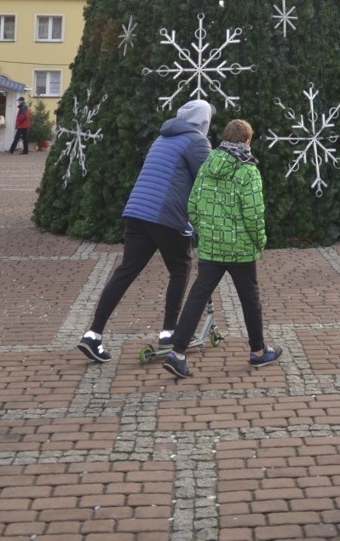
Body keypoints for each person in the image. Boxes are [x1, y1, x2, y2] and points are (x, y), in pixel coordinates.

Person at [77, 99, 212, 363]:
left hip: (137, 212)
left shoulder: (161, 139)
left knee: (126, 271)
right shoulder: (197, 142)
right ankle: (169, 332)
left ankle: (93, 334)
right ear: (204, 121)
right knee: (180, 269)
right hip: (166, 217)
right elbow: (206, 181)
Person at [163, 119, 281, 379]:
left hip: (211, 246)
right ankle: (258, 351)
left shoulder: (207, 164)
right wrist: (259, 240)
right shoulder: (248, 170)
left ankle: (178, 353)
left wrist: (204, 231)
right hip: (240, 248)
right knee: (250, 300)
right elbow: (253, 213)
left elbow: (192, 202)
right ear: (248, 141)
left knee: (197, 295)